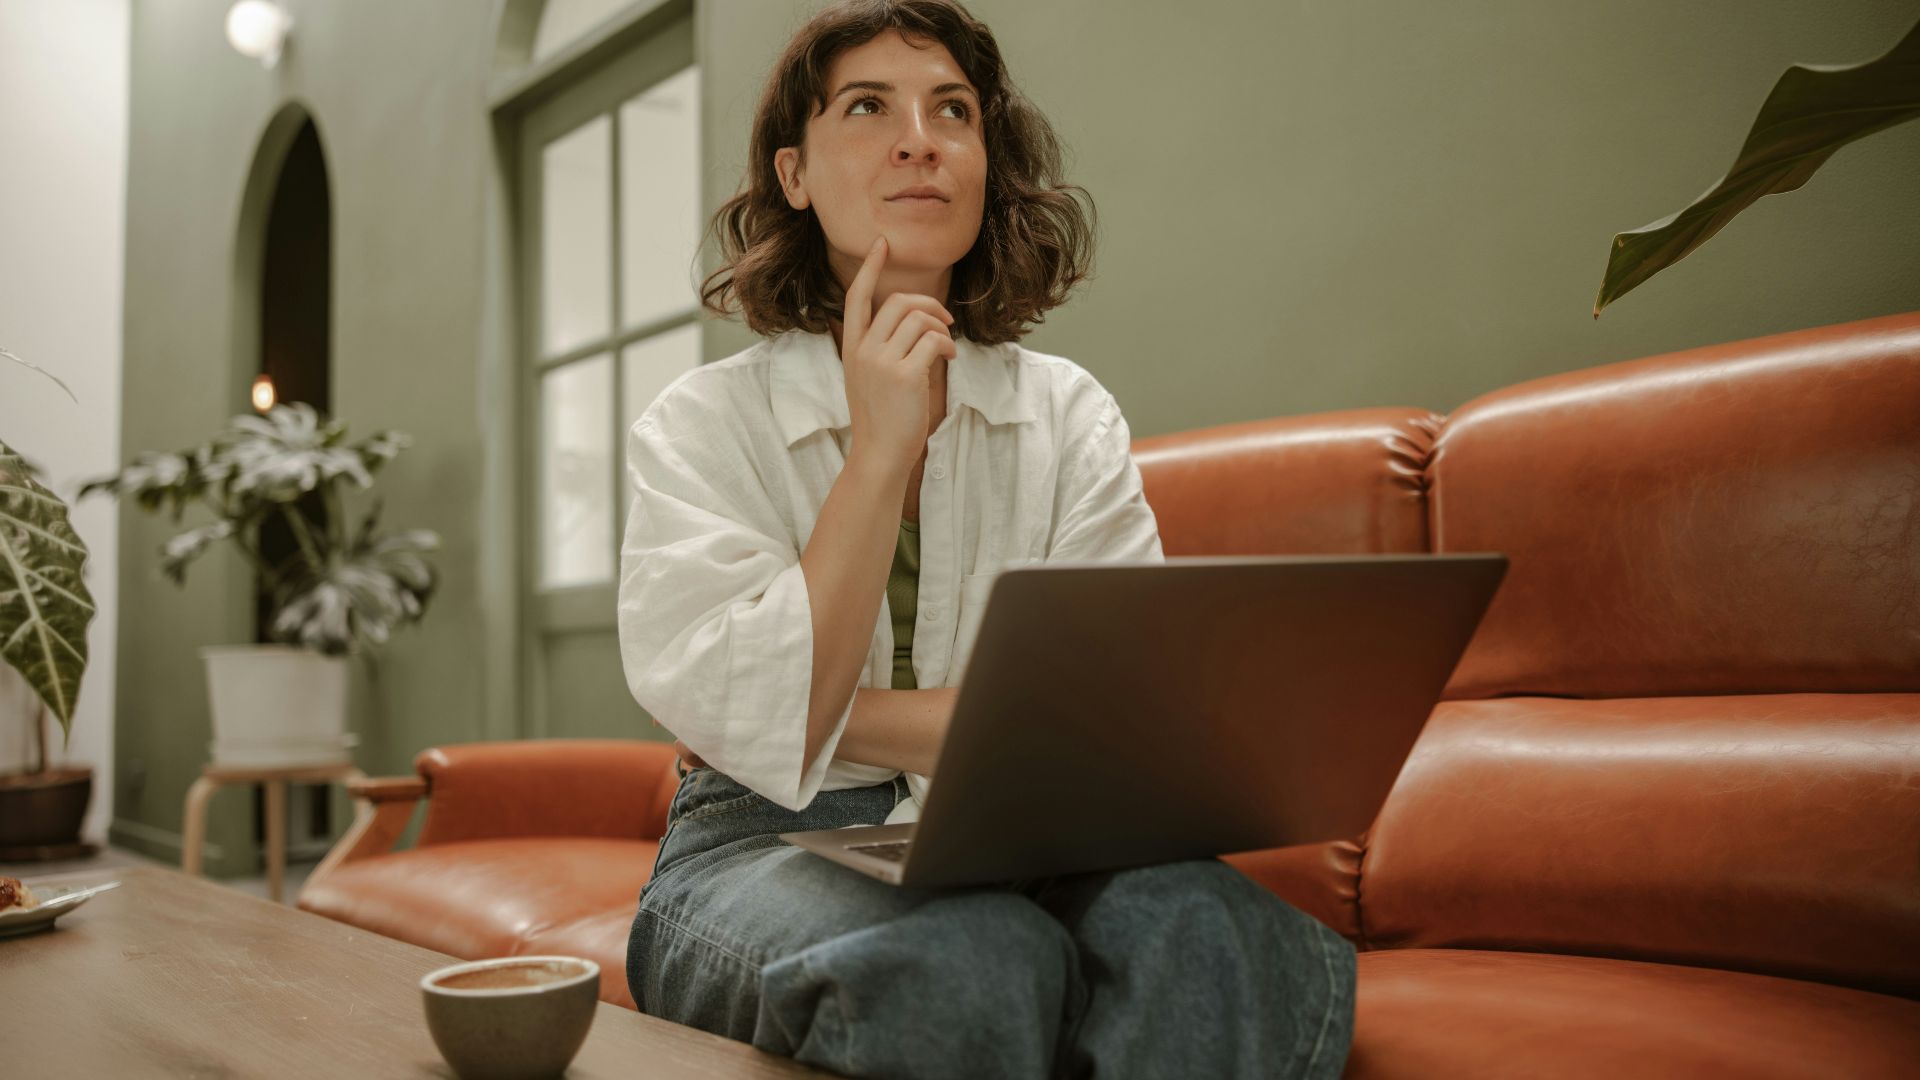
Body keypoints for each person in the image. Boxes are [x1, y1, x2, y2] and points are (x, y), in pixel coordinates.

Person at [617, 2, 1356, 1076]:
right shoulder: (699, 426)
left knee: (1211, 929)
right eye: (867, 107)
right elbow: (797, 734)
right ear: (794, 174)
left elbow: (1105, 721)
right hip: (758, 841)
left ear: (984, 161)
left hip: (1032, 829)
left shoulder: (1069, 415)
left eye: (952, 110)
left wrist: (815, 717)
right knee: (962, 954)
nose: (919, 139)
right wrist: (879, 452)